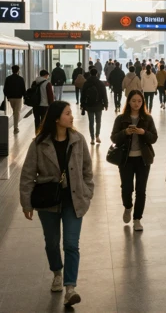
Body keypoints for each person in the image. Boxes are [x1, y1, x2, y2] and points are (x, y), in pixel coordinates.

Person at [19, 101, 94, 307]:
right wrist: (26, 203)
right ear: (56, 118)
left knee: (71, 244)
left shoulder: (78, 140)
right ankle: (57, 273)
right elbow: (27, 175)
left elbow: (87, 170)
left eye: (71, 113)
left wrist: (88, 192)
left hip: (74, 200)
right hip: (48, 202)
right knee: (52, 242)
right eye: (68, 113)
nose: (72, 116)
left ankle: (70, 288)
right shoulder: (39, 143)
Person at [110, 90, 158, 232]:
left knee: (141, 190)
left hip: (143, 159)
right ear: (128, 102)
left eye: (139, 101)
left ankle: (137, 219)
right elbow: (114, 138)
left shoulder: (147, 119)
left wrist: (143, 133)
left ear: (142, 102)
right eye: (133, 101)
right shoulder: (121, 119)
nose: (136, 104)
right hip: (125, 159)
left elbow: (154, 138)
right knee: (126, 188)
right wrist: (125, 132)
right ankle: (128, 207)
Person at [80, 68, 108, 145]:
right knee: (98, 121)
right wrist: (106, 104)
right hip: (98, 105)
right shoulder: (100, 83)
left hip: (89, 105)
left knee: (91, 122)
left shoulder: (86, 83)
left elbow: (83, 94)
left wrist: (82, 104)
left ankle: (92, 138)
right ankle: (97, 136)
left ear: (90, 73)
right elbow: (104, 94)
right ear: (96, 74)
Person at [3, 64, 25, 134]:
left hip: (11, 97)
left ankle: (15, 126)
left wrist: (7, 96)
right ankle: (15, 127)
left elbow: (5, 89)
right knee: (17, 112)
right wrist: (24, 96)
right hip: (18, 97)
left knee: (15, 111)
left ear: (12, 70)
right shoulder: (21, 79)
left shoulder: (8, 78)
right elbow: (23, 89)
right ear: (18, 70)